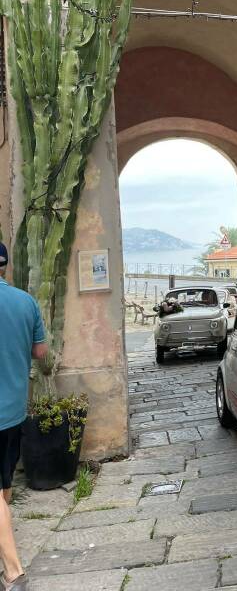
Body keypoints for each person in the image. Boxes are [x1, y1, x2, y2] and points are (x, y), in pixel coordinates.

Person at [0, 242, 48, 590]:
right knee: (4, 488)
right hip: (13, 411)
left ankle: (13, 572)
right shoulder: (26, 302)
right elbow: (41, 352)